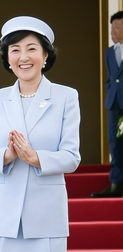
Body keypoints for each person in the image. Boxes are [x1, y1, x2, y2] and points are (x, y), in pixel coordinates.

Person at [0, 16, 81, 252]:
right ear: (8, 58)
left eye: (31, 49)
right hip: (5, 217)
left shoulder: (66, 97)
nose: (23, 57)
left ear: (45, 56)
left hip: (46, 217)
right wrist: (7, 155)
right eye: (15, 50)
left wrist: (35, 158)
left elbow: (71, 157)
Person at [91, 11, 123, 198]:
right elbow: (111, 79)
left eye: (117, 28)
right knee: (116, 142)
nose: (113, 32)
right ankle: (116, 183)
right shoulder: (110, 52)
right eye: (112, 28)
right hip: (115, 106)